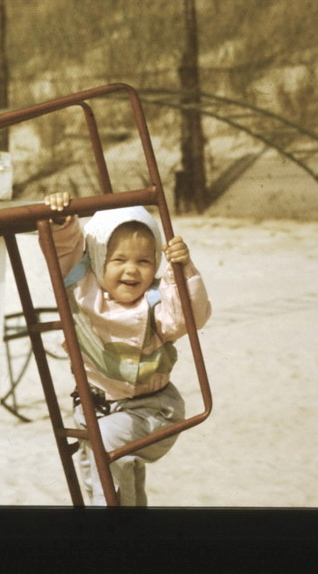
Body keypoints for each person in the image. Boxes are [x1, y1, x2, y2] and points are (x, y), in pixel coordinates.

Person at [43, 191, 212, 506]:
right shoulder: (80, 287)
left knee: (105, 449)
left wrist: (182, 271)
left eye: (144, 261)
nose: (132, 270)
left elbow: (190, 318)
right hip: (95, 406)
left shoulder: (156, 302)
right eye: (119, 260)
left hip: (153, 409)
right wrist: (60, 220)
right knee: (102, 471)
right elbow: (64, 249)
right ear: (97, 259)